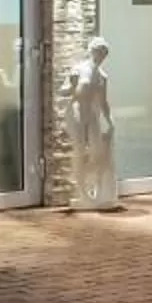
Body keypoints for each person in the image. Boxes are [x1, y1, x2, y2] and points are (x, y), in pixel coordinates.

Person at [67, 38, 119, 210]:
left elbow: (104, 102)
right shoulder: (79, 69)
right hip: (77, 111)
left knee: (97, 153)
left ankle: (95, 187)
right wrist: (72, 85)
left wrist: (110, 120)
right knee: (80, 150)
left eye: (104, 53)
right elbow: (65, 91)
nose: (101, 56)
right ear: (92, 51)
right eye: (98, 52)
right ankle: (81, 191)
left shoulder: (102, 76)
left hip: (93, 114)